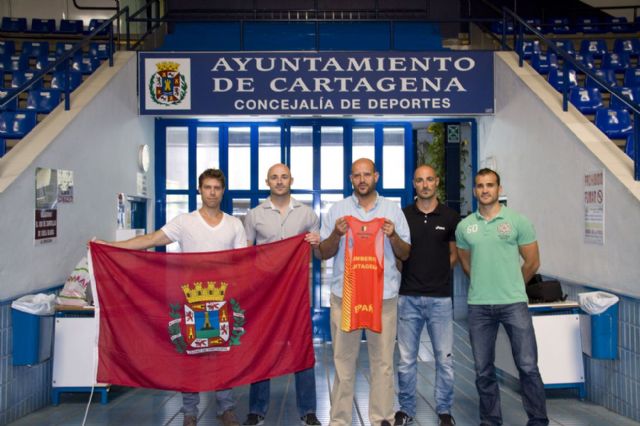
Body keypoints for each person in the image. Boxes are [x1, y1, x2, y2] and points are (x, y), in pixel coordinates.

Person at [96, 169, 245, 426]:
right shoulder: (184, 222)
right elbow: (152, 239)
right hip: (191, 300)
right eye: (207, 187)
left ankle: (226, 408)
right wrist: (111, 246)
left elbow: (244, 263)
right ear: (199, 189)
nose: (212, 192)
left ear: (223, 191)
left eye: (216, 188)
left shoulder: (234, 224)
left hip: (222, 300)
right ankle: (189, 412)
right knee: (191, 356)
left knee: (223, 354)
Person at [318, 158, 411, 426]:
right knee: (343, 364)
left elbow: (406, 253)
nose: (362, 179)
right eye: (356, 175)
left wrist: (393, 237)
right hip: (345, 298)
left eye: (366, 174)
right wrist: (336, 234)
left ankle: (382, 419)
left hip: (383, 299)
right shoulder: (337, 210)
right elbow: (322, 253)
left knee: (383, 363)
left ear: (376, 177)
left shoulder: (393, 211)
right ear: (351, 179)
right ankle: (339, 421)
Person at [455, 168, 548, 426]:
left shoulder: (518, 222)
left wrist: (512, 284)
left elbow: (533, 262)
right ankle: (490, 421)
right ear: (474, 191)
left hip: (514, 304)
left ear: (499, 189)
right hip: (479, 307)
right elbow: (466, 264)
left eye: (490, 185)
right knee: (483, 370)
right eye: (480, 185)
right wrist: (486, 283)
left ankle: (538, 420)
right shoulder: (465, 227)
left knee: (528, 366)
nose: (485, 190)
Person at [242, 163, 322, 426]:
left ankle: (308, 410)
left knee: (301, 348)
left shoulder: (308, 215)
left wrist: (316, 243)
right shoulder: (254, 215)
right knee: (260, 349)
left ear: (291, 180)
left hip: (297, 295)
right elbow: (246, 255)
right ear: (267, 181)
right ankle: (257, 409)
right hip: (265, 296)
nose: (279, 181)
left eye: (284, 177)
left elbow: (317, 250)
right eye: (274, 177)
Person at [395, 165, 459, 426]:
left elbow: (454, 255)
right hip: (408, 297)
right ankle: (407, 409)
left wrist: (438, 276)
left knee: (444, 360)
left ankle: (444, 411)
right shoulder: (403, 216)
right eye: (420, 180)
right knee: (406, 361)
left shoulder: (451, 217)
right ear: (414, 184)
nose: (425, 184)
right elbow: (399, 255)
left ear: (437, 182)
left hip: (441, 300)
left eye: (429, 179)